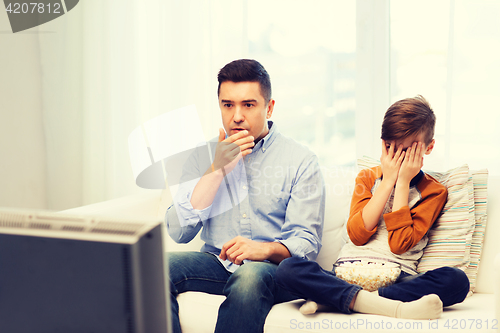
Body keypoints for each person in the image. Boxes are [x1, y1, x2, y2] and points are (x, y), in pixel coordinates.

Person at [165, 59, 325, 333]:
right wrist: (215, 173)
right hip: (216, 263)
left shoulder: (301, 161)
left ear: (269, 107)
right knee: (155, 269)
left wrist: (264, 249)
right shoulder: (203, 156)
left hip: (271, 271)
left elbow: (306, 244)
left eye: (248, 105)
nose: (236, 116)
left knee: (250, 274)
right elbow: (179, 232)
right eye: (228, 105)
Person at [276, 95, 470, 320]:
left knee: (456, 281)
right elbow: (357, 236)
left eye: (406, 151)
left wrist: (404, 183)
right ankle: (384, 305)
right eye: (390, 148)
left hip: (397, 275)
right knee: (288, 269)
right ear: (382, 143)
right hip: (346, 271)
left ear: (429, 147)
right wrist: (387, 182)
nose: (397, 159)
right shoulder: (368, 177)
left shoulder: (433, 191)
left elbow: (399, 244)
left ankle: (339, 298)